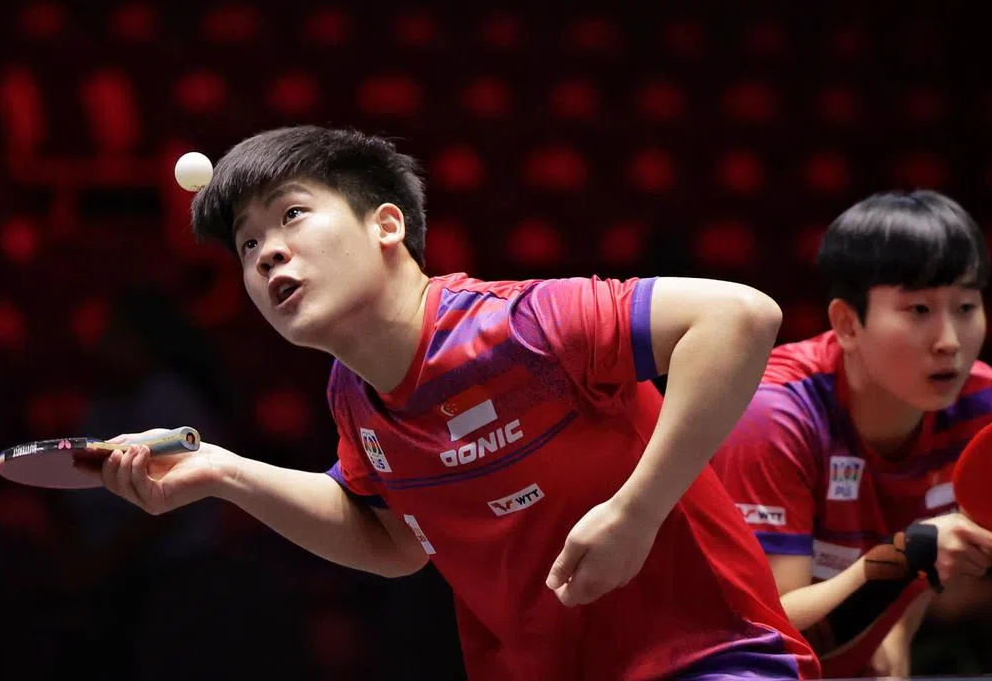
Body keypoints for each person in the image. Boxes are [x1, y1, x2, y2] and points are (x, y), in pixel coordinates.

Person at [92, 125, 820, 680]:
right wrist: (221, 471)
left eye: (291, 217)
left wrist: (638, 512)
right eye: (248, 245)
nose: (267, 254)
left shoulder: (519, 325)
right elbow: (392, 542)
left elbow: (738, 317)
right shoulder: (355, 395)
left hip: (715, 659)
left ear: (386, 225)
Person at [710, 190, 992, 678]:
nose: (950, 342)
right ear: (846, 323)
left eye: (966, 306)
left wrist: (895, 632)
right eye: (919, 310)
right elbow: (760, 625)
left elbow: (935, 554)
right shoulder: (775, 415)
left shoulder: (979, 406)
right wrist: (903, 558)